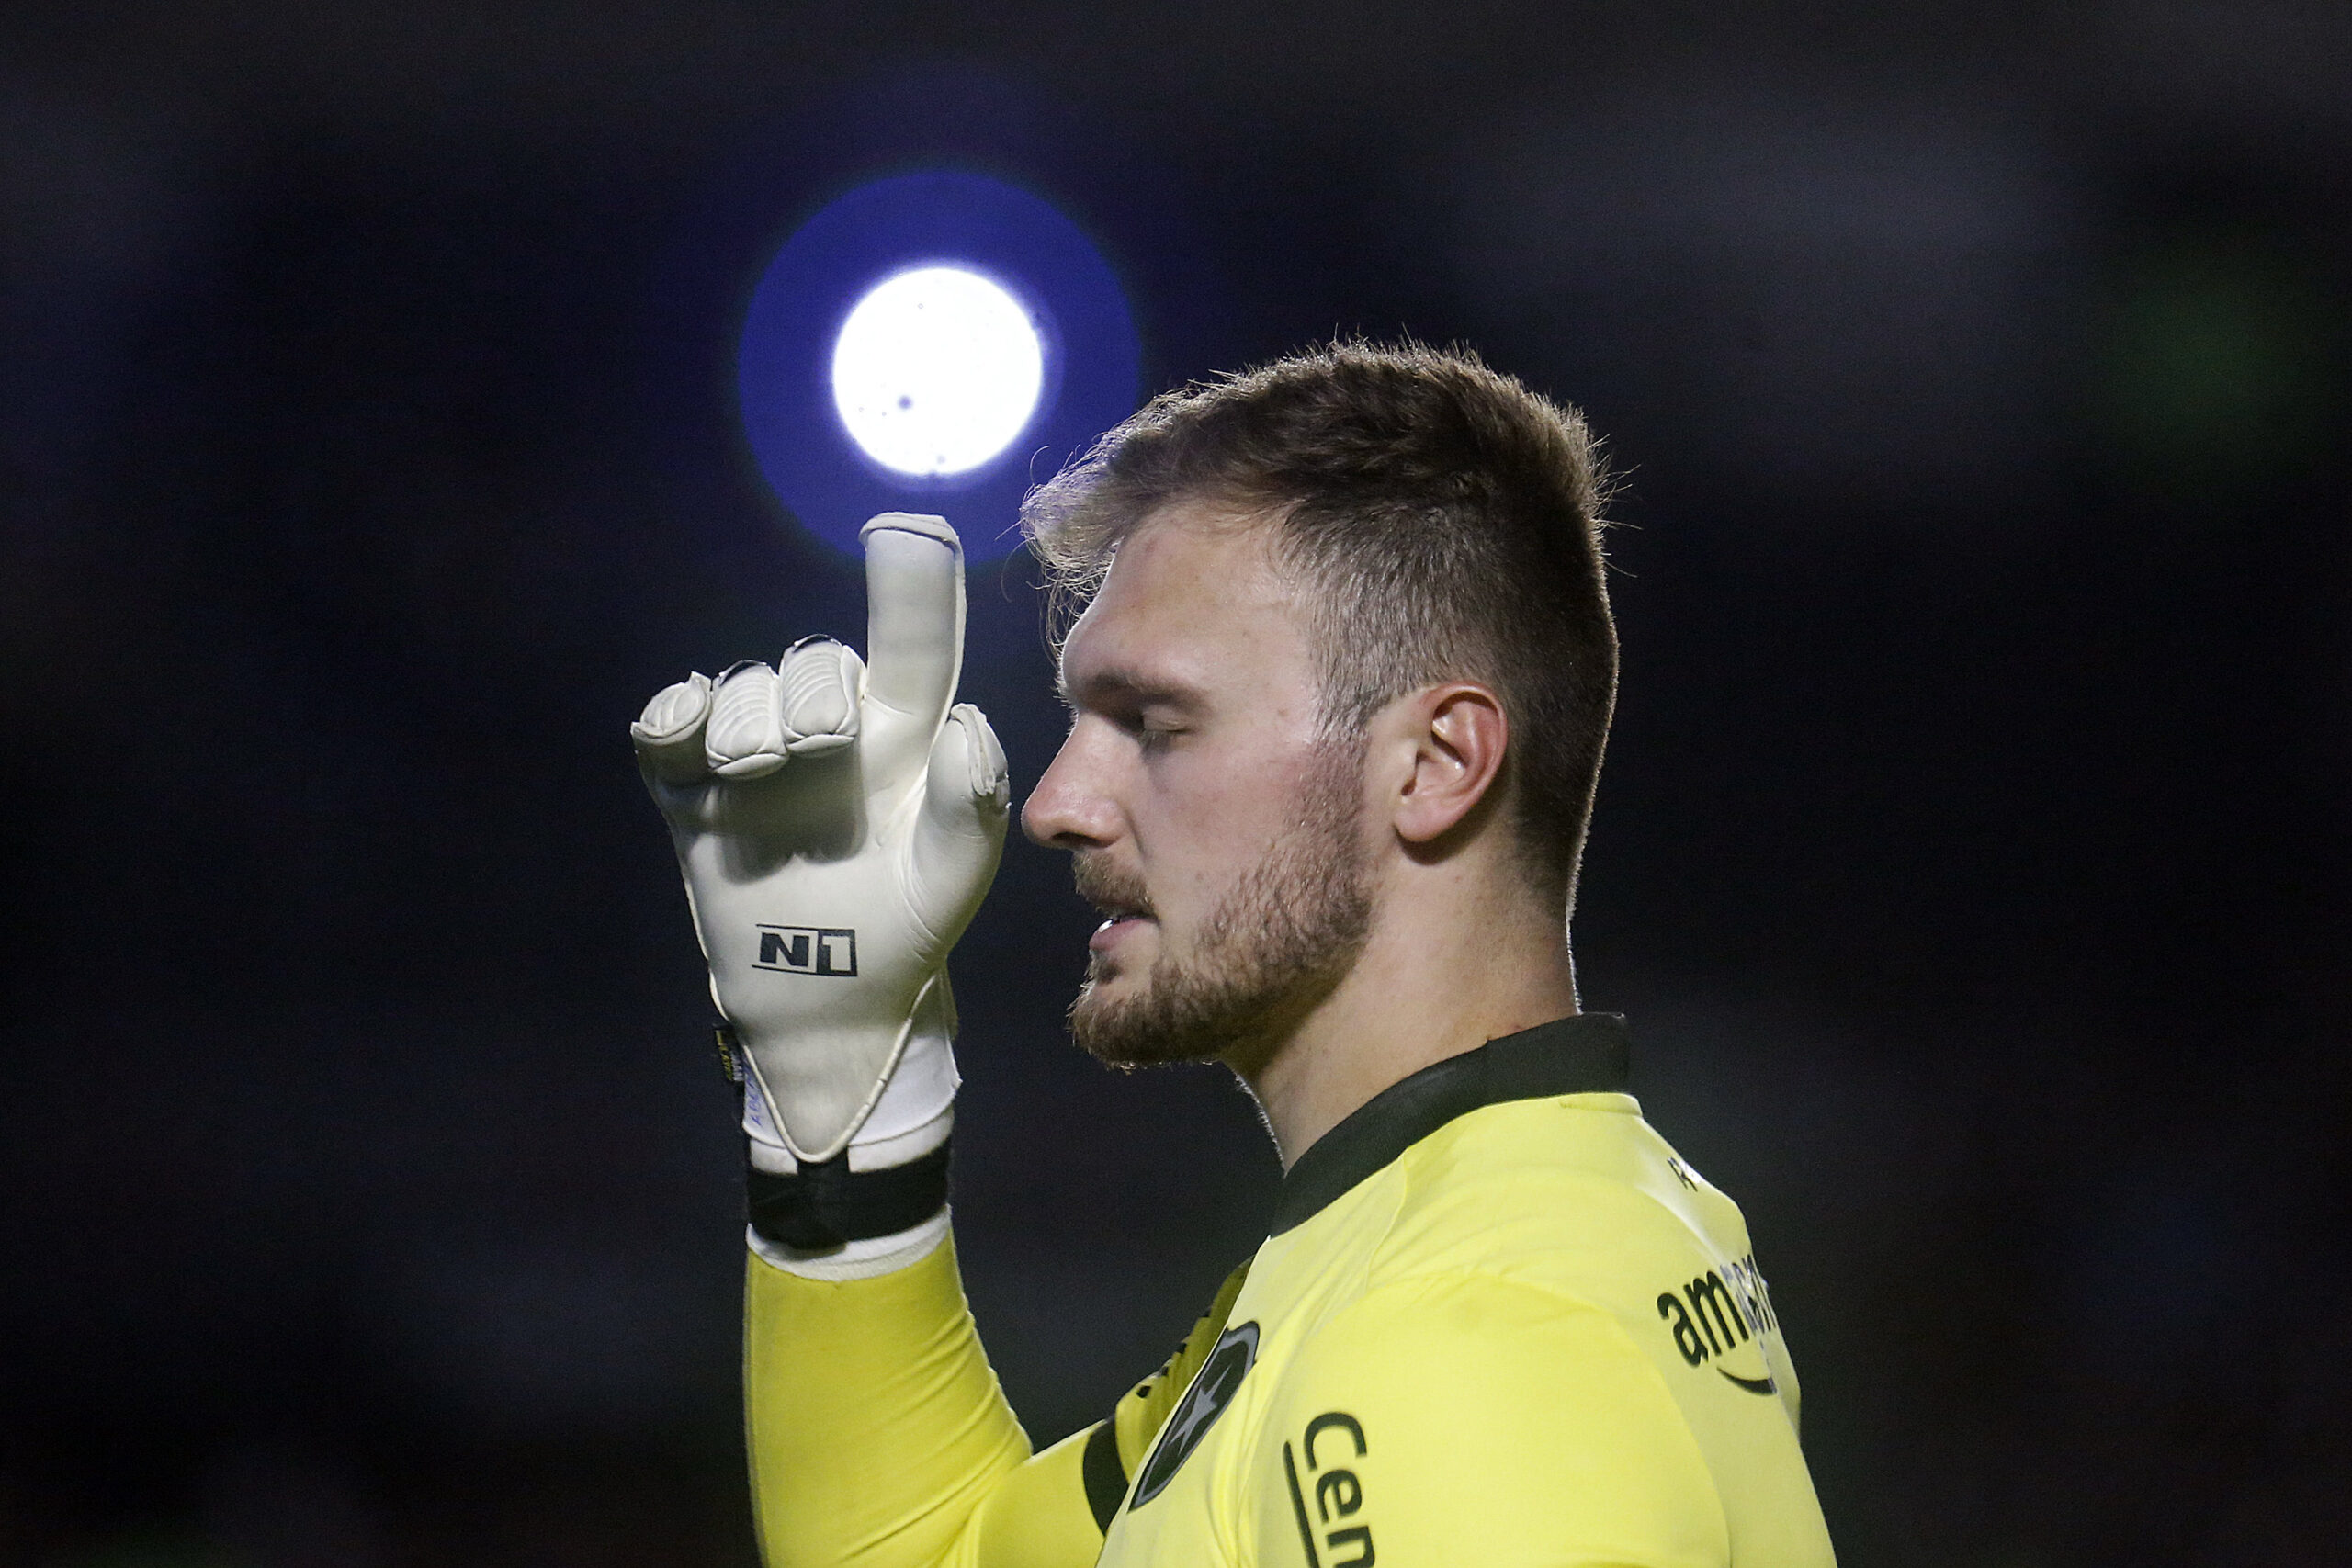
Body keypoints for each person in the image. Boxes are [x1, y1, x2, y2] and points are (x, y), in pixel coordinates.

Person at [631, 341, 1837, 1566]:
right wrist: (843, 1102)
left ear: (1437, 766)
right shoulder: (1501, 1225)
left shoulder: (1459, 1347)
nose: (1055, 803)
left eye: (1154, 723)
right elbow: (943, 1554)